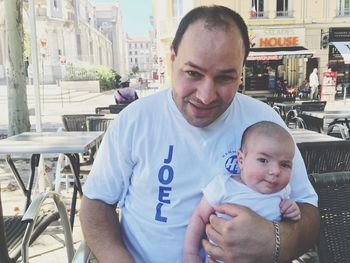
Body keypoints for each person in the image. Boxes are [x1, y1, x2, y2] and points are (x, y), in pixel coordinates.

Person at [80, 5, 319, 263]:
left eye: (225, 78)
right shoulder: (135, 120)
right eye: (193, 73)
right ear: (172, 59)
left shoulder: (266, 123)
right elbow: (96, 204)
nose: (206, 96)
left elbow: (309, 212)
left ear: (242, 71)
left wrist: (276, 239)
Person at [183, 121, 301, 263]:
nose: (275, 171)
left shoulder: (282, 191)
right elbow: (200, 217)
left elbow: (286, 220)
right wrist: (190, 253)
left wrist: (291, 209)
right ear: (241, 159)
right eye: (263, 160)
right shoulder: (224, 186)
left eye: (285, 164)